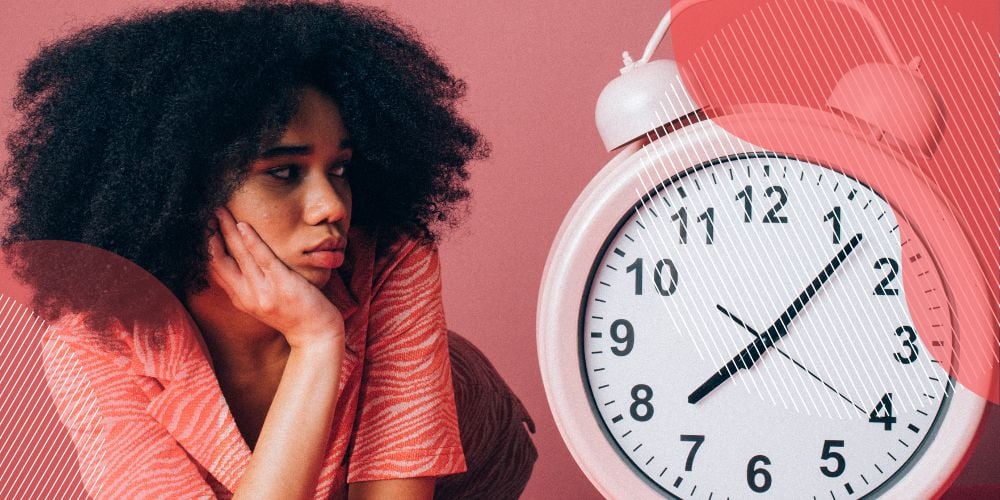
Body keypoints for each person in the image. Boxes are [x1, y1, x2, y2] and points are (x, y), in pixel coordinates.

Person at [0, 1, 526, 498]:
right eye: (283, 172)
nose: (331, 207)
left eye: (339, 168)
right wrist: (318, 342)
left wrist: (317, 339)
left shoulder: (391, 259)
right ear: (177, 190)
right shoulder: (95, 344)